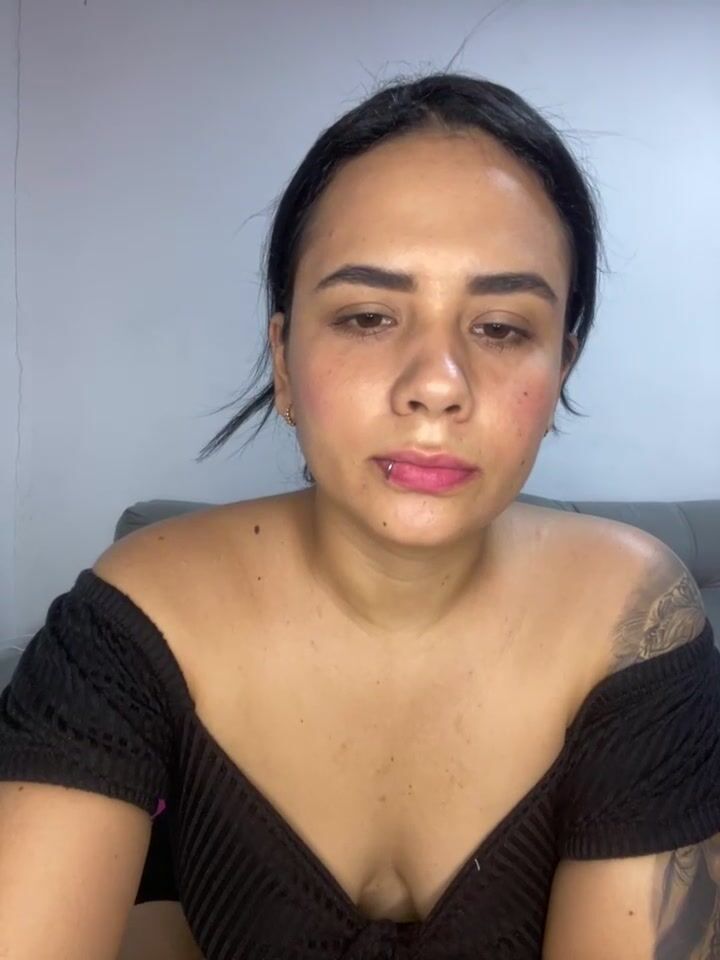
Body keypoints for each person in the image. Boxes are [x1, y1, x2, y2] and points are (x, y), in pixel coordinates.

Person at [1, 69, 718, 960]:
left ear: (560, 367)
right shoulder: (133, 621)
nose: (437, 386)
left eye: (501, 328)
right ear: (283, 359)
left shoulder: (636, 623)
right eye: (370, 316)